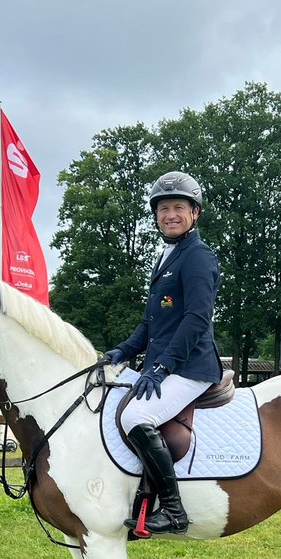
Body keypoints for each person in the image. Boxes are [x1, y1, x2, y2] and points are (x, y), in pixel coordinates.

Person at [104, 171, 223, 534]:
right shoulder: (166, 258)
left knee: (135, 418)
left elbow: (196, 319)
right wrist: (122, 352)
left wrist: (159, 367)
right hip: (167, 366)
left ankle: (173, 511)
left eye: (178, 208)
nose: (170, 214)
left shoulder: (198, 257)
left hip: (190, 368)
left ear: (195, 213)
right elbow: (150, 324)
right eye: (163, 208)